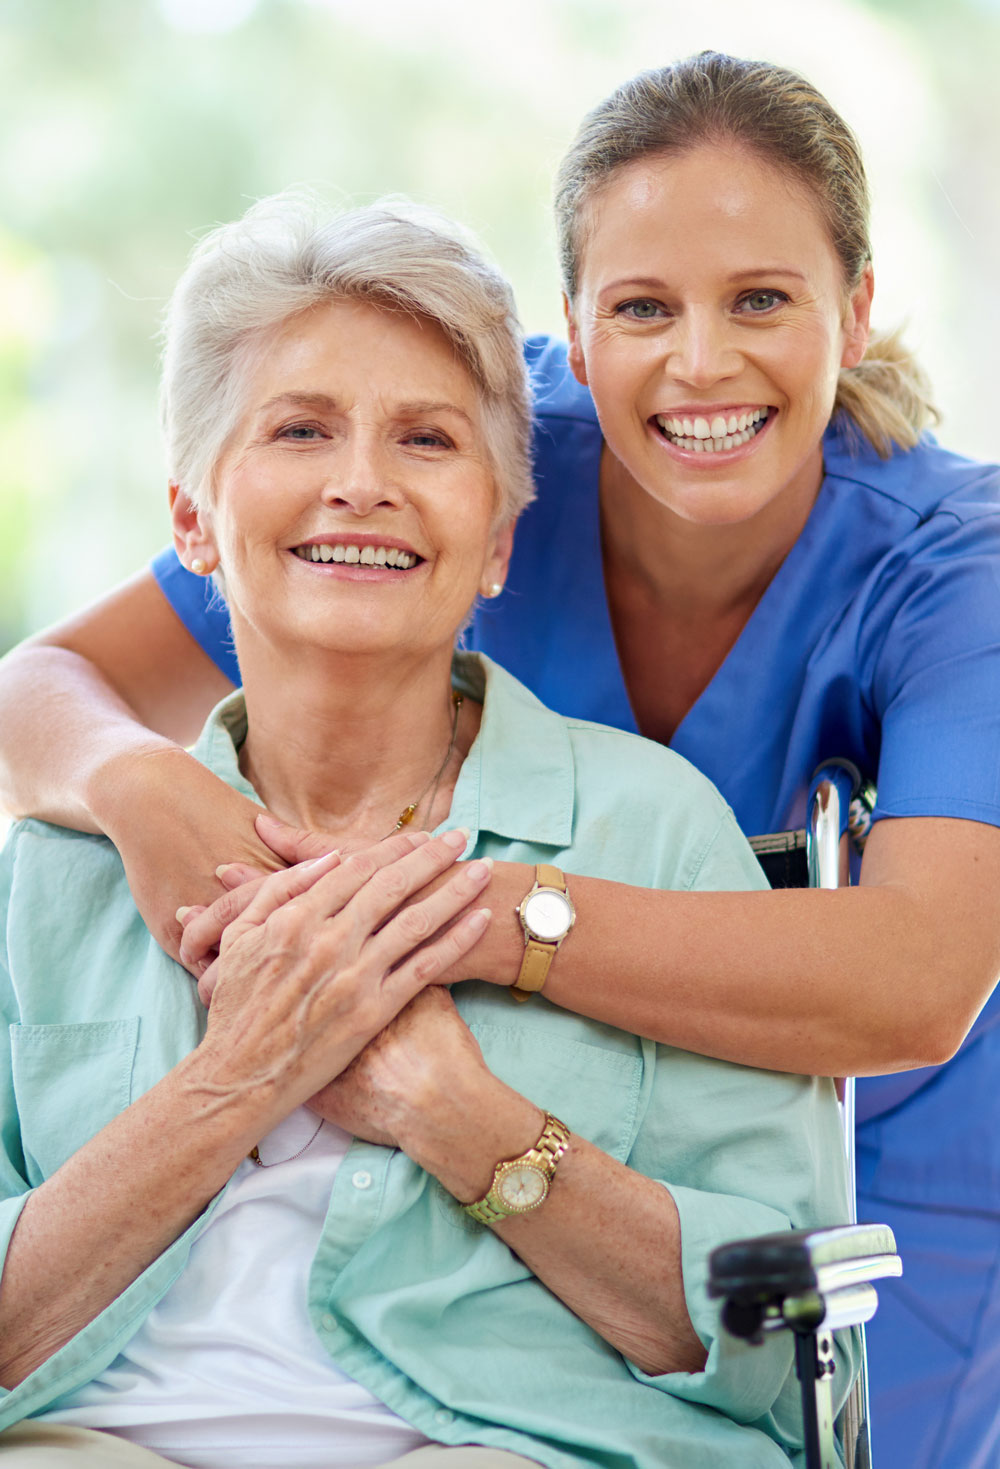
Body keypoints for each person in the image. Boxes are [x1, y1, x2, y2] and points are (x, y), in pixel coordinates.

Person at [0, 52, 997, 1468]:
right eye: (644, 306)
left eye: (762, 298)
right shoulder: (429, 428)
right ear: (576, 337)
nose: (700, 359)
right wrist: (140, 787)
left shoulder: (947, 567)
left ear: (859, 308)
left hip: (854, 1115)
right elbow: (46, 685)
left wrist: (439, 931)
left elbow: (918, 977)